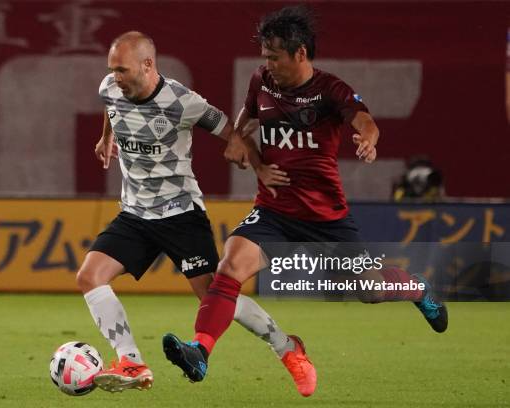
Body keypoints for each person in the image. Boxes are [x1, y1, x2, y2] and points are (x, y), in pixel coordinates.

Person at [162, 5, 448, 397]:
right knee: (230, 266)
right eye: (265, 55)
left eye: (274, 56)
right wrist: (252, 158)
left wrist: (368, 139)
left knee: (370, 290)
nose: (268, 63)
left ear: (300, 53)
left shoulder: (330, 90)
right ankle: (200, 351)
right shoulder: (261, 80)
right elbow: (246, 121)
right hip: (274, 210)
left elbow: (366, 121)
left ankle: (417, 289)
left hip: (325, 219)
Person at [76, 31, 304, 394]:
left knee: (214, 296)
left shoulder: (183, 102)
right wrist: (107, 138)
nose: (115, 77)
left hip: (180, 213)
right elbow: (111, 107)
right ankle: (132, 362)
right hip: (135, 214)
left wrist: (243, 152)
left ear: (148, 65)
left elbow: (230, 128)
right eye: (112, 70)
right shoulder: (110, 87)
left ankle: (285, 345)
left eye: (122, 70)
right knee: (89, 276)